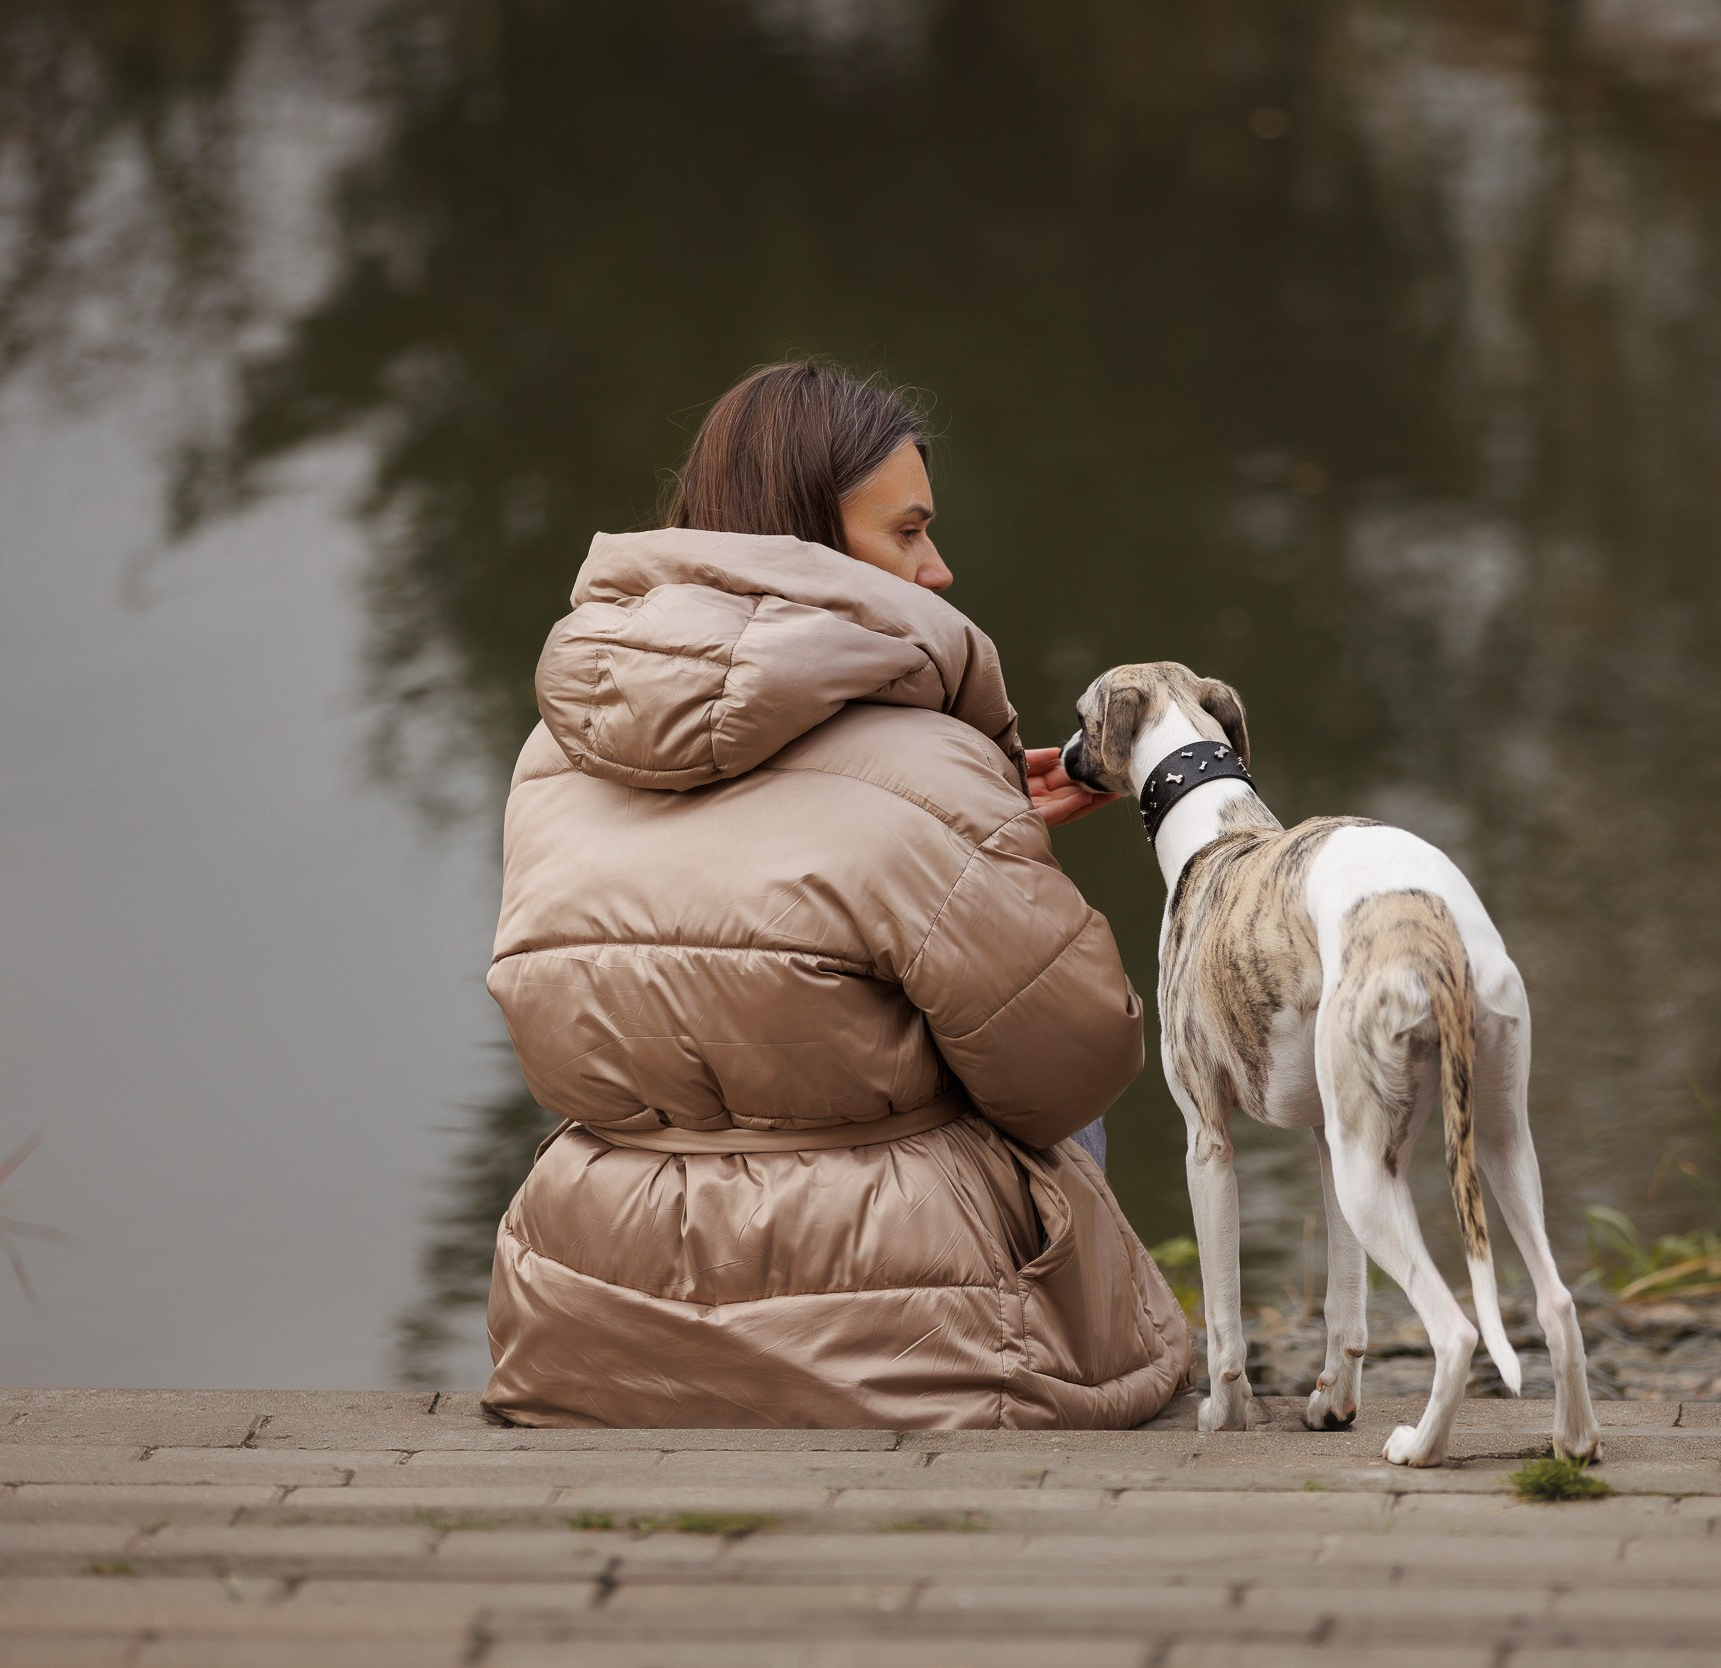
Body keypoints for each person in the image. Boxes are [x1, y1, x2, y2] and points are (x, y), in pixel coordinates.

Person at [480, 360, 1189, 1428]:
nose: (938, 569)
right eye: (906, 532)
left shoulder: (556, 753)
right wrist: (987, 853)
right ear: (809, 541)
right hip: (912, 1349)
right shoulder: (924, 763)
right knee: (1056, 1074)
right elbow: (1068, 1072)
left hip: (588, 1327)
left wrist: (976, 826)